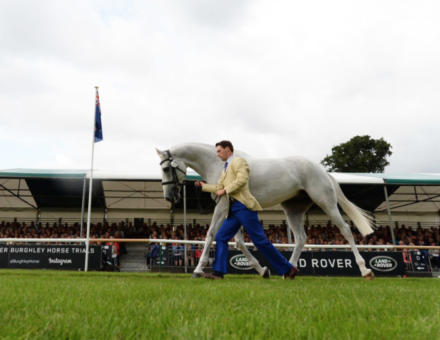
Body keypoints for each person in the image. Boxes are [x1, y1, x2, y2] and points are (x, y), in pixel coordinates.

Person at [195, 140, 297, 280]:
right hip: (234, 210)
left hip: (244, 207)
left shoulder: (239, 162)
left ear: (228, 150)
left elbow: (242, 180)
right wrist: (203, 186)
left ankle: (288, 269)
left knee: (260, 241)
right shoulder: (225, 168)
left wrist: (226, 190)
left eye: (219, 151)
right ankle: (218, 273)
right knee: (221, 237)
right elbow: (218, 187)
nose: (217, 154)